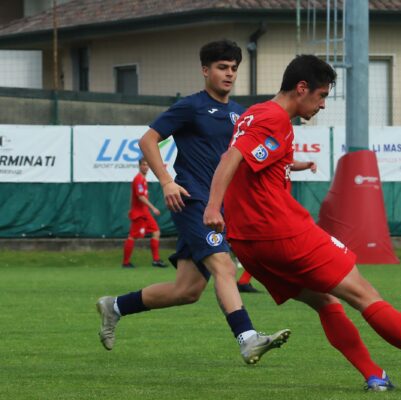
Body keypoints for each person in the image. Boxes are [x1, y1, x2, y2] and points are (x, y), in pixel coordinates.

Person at [203, 54, 401, 390]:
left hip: (250, 245)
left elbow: (253, 161)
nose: (323, 105)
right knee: (365, 294)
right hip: (282, 232)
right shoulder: (275, 118)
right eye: (322, 95)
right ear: (301, 88)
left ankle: (375, 375)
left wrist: (290, 165)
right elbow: (231, 158)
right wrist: (212, 207)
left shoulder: (254, 114)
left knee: (325, 301)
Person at [96, 40, 290, 365]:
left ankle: (114, 306)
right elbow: (147, 140)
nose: (228, 74)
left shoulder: (240, 114)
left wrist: (290, 165)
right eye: (221, 67)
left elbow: (244, 158)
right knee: (224, 266)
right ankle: (247, 338)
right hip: (193, 200)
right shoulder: (192, 106)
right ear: (205, 70)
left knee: (187, 291)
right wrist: (167, 181)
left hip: (220, 207)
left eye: (233, 68)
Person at [235, 159, 317, 293]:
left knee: (277, 248)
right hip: (272, 207)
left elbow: (289, 164)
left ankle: (244, 281)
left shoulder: (282, 148)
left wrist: (306, 165)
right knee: (286, 246)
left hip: (280, 205)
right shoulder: (269, 146)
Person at [122, 157, 167, 268]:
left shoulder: (142, 179)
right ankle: (126, 263)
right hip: (140, 214)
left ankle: (156, 260)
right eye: (144, 165)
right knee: (132, 236)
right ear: (139, 166)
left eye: (147, 165)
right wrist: (153, 208)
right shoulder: (138, 179)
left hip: (144, 212)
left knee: (156, 232)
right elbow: (140, 196)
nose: (146, 167)